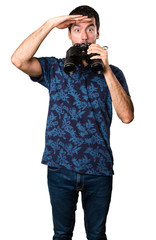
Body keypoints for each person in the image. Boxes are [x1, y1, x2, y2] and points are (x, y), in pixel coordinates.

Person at [11, 5, 134, 240]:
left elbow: (127, 116)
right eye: (77, 29)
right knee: (61, 234)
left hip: (98, 169)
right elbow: (18, 59)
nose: (84, 36)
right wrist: (49, 24)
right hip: (60, 167)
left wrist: (106, 70)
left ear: (98, 33)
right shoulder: (56, 69)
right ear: (69, 34)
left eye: (90, 29)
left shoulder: (114, 73)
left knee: (97, 235)